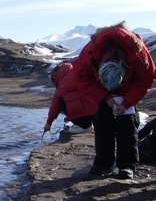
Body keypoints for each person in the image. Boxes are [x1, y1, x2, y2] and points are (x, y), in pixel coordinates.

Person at [74, 21, 156, 180]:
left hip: (129, 87)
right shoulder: (90, 53)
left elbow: (146, 79)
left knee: (127, 123)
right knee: (103, 121)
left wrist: (126, 102)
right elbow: (81, 77)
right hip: (101, 87)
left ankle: (127, 166)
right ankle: (103, 164)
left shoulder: (137, 53)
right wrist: (105, 98)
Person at [43, 61, 98, 134]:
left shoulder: (65, 83)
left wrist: (48, 123)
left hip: (90, 110)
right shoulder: (76, 70)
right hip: (100, 106)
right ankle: (91, 122)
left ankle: (85, 126)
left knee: (62, 100)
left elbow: (55, 104)